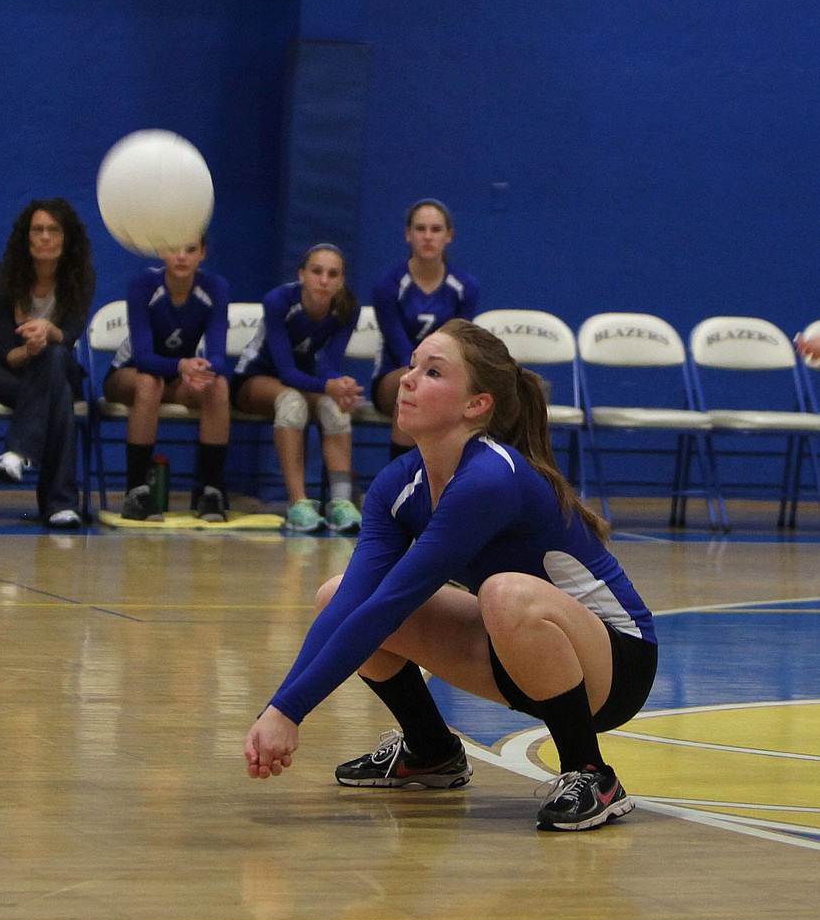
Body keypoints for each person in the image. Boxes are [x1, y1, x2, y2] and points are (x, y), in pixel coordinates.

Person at [244, 318, 658, 832]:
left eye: (433, 372)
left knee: (504, 593)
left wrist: (292, 711)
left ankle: (591, 772)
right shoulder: (399, 485)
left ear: (476, 405)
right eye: (412, 366)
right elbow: (357, 601)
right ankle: (430, 750)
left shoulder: (491, 477)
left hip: (615, 663)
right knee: (335, 597)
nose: (408, 380)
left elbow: (391, 604)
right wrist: (279, 706)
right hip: (515, 648)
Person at [0, 198, 96, 529]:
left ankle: (18, 452)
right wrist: (32, 346)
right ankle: (61, 505)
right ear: (25, 237)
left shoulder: (80, 279)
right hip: (0, 370)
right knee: (60, 398)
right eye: (37, 230)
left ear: (66, 238)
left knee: (55, 360)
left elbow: (67, 339)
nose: (45, 237)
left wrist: (48, 331)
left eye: (53, 230)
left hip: (55, 365)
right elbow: (7, 353)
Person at [232, 244, 364, 534]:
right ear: (301, 275)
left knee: (334, 407)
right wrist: (328, 385)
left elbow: (329, 363)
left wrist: (339, 385)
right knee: (292, 403)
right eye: (316, 271)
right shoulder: (279, 301)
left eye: (333, 274)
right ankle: (298, 503)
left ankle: (341, 502)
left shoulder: (347, 308)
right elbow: (286, 371)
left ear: (341, 280)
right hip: (255, 379)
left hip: (303, 382)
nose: (324, 280)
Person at [104, 238, 230, 522]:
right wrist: (183, 364)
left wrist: (203, 368)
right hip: (127, 375)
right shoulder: (143, 285)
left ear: (203, 253)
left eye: (190, 249)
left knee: (217, 385)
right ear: (161, 251)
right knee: (149, 382)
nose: (181, 257)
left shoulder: (215, 287)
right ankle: (136, 492)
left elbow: (219, 356)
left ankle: (209, 492)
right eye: (174, 248)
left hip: (177, 377)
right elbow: (145, 357)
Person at [372, 199, 479, 461]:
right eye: (420, 229)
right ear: (408, 235)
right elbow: (401, 350)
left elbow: (458, 345)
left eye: (436, 229)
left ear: (449, 236)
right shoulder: (388, 285)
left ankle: (460, 486)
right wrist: (430, 377)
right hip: (393, 376)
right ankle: (400, 488)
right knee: (410, 387)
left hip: (444, 375)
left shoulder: (465, 287)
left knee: (476, 397)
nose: (428, 237)